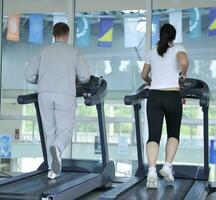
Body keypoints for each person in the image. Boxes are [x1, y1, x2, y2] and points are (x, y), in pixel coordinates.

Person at [25, 22, 90, 179]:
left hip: (44, 94)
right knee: (65, 132)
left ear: (53, 35)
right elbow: (85, 76)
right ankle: (57, 148)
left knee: (50, 132)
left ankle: (52, 170)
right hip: (65, 93)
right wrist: (77, 80)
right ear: (67, 34)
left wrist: (42, 81)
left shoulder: (44, 51)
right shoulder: (73, 51)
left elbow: (29, 75)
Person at [141, 23, 189, 188]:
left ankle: (152, 171)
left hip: (155, 96)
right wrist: (183, 73)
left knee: (153, 136)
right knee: (173, 133)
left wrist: (150, 81)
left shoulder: (152, 52)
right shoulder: (178, 48)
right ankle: (167, 166)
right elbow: (183, 61)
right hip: (172, 95)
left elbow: (143, 75)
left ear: (160, 36)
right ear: (173, 37)